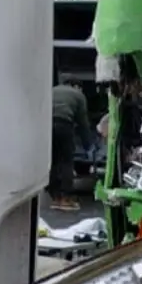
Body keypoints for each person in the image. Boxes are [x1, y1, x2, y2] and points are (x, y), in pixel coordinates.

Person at [49, 80, 94, 212]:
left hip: (47, 125)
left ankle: (55, 198)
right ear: (77, 86)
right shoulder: (78, 95)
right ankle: (65, 198)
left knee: (53, 161)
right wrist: (87, 145)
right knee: (66, 162)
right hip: (64, 125)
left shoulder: (53, 90)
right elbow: (83, 122)